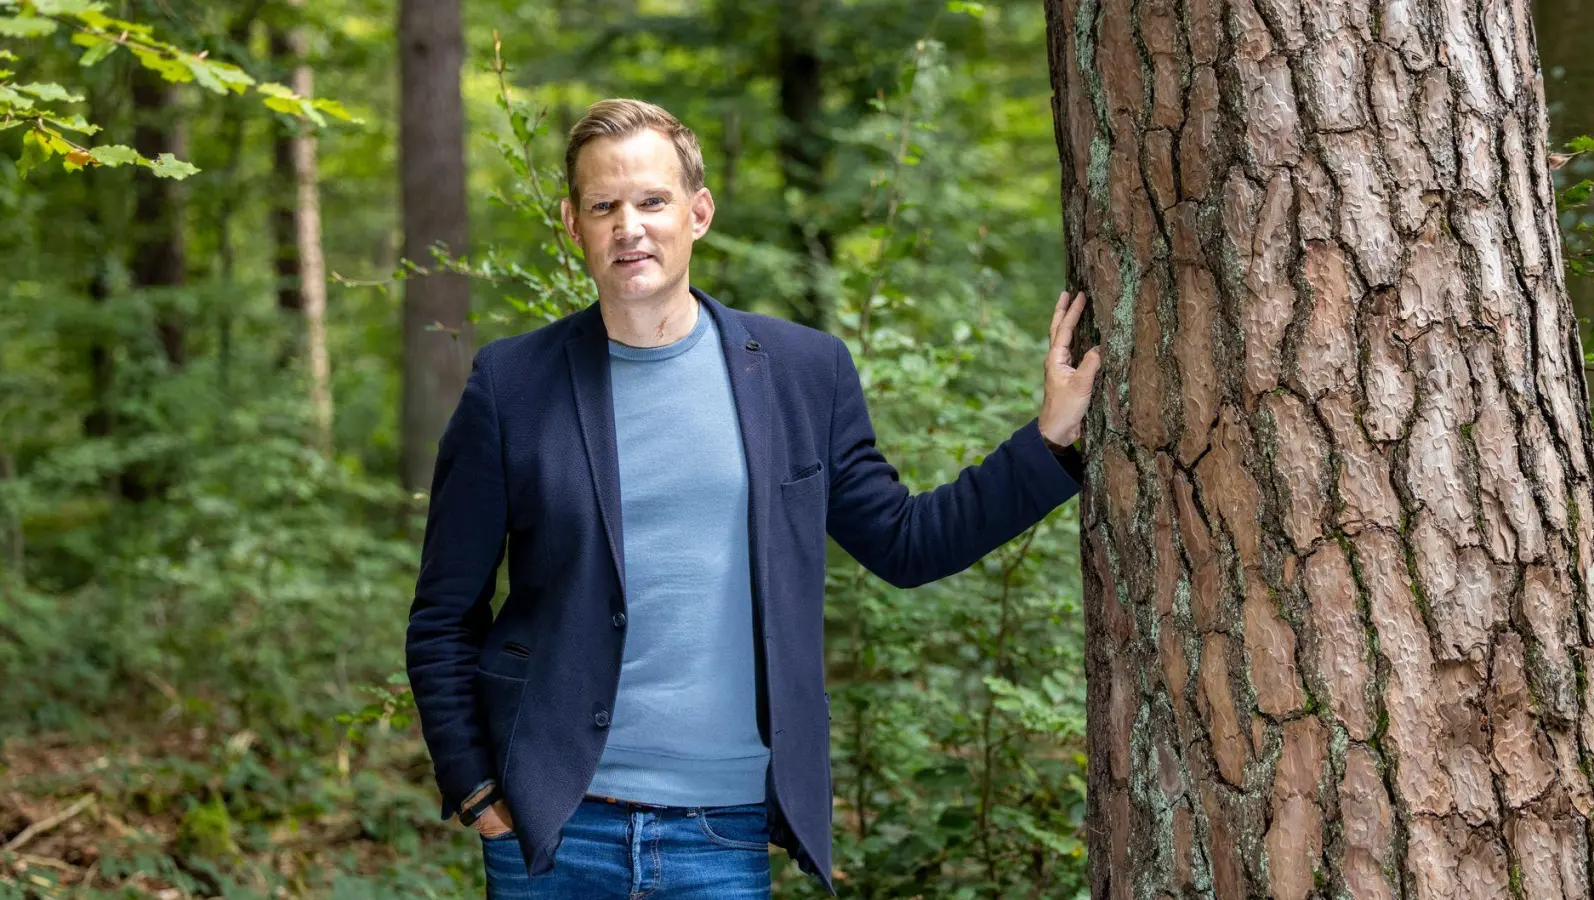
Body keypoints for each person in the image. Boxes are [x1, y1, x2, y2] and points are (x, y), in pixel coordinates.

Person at [405, 98, 1101, 900]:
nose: (629, 225)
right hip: (553, 830)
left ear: (697, 213)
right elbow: (444, 614)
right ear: (573, 223)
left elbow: (907, 543)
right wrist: (477, 791)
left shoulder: (805, 373)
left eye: (652, 201)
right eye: (605, 206)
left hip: (722, 828)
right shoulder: (512, 385)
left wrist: (1047, 437)